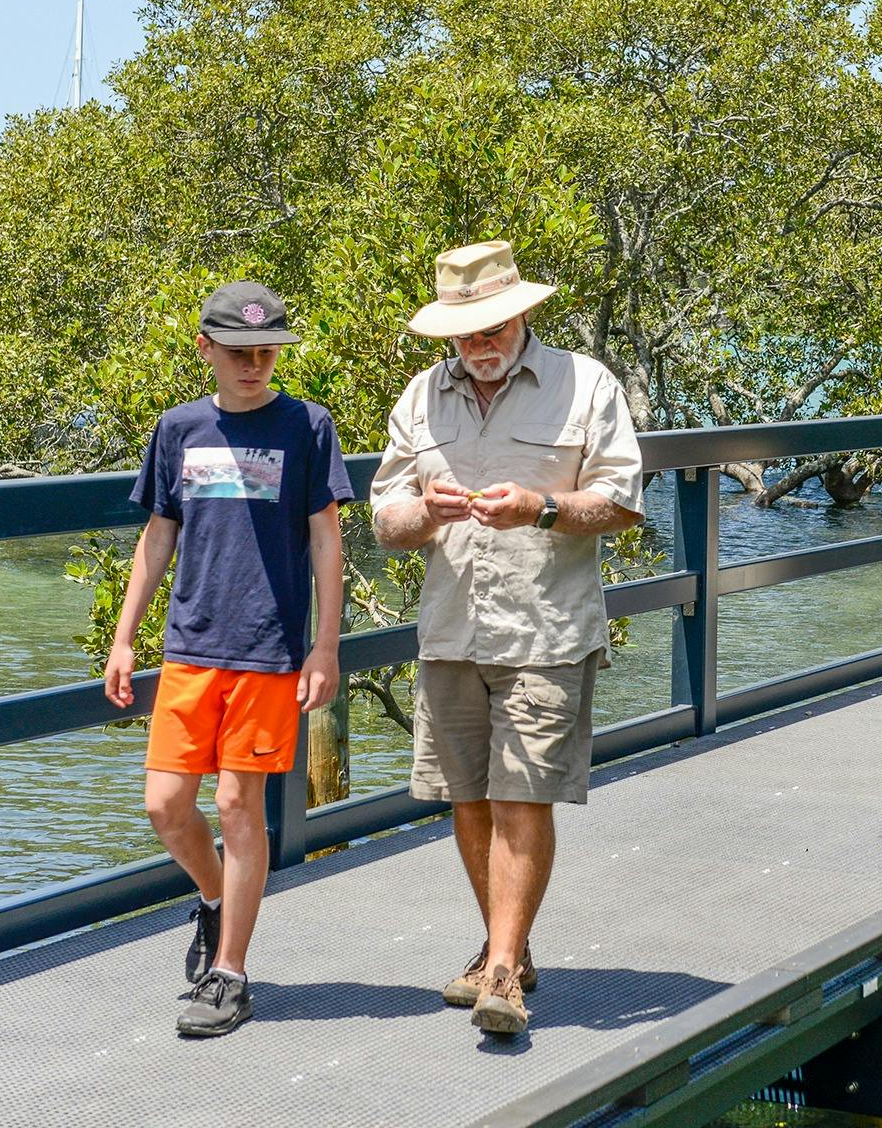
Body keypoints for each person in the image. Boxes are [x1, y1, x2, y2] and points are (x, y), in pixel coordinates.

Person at [370, 240, 644, 1039]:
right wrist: (427, 512)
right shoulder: (420, 397)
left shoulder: (584, 383)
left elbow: (623, 501)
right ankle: (508, 948)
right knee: (469, 800)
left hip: (545, 630)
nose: (478, 344)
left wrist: (543, 508)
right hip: (451, 631)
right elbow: (386, 521)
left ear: (521, 313)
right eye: (463, 332)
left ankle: (500, 975)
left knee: (523, 795)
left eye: (490, 326)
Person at [102, 280, 353, 1039]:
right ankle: (213, 899)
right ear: (205, 348)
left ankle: (231, 975)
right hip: (190, 646)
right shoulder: (177, 429)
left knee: (241, 807)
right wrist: (124, 637)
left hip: (270, 650)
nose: (255, 363)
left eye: (268, 350)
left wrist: (325, 644)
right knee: (165, 805)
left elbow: (325, 539)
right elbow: (157, 539)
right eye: (240, 350)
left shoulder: (307, 425)